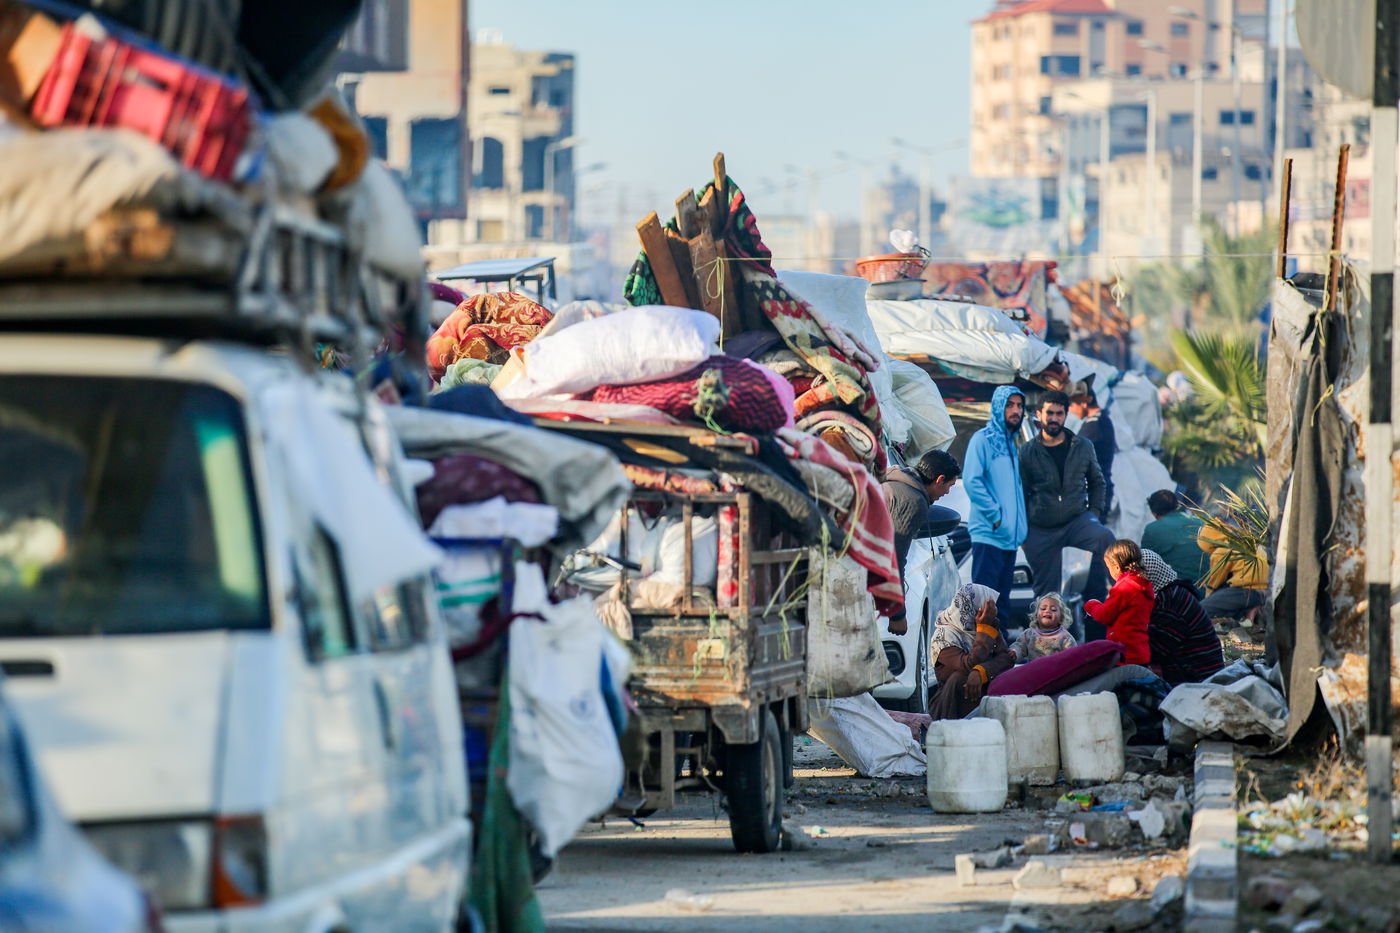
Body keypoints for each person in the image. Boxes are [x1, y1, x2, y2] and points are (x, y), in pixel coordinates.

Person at [1018, 390, 1117, 611]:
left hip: (1077, 520)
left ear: (1065, 415)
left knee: (1106, 537)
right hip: (1042, 527)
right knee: (1047, 598)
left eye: (1059, 413)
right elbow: (1021, 494)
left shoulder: (1082, 445)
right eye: (1049, 413)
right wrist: (1025, 534)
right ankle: (1046, 642)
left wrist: (1094, 514)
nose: (1054, 418)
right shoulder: (1027, 451)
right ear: (1039, 415)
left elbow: (1097, 482)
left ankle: (1123, 595)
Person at [963, 385, 1028, 635]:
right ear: (998, 407)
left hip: (1009, 539)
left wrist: (1019, 529)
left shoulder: (1012, 443)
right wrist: (997, 517)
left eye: (1019, 406)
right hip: (990, 534)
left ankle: (994, 660)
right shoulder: (983, 439)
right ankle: (980, 657)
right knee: (985, 603)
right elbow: (972, 481)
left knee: (1002, 605)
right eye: (1010, 405)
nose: (1015, 411)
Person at [881, 449, 962, 636]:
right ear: (939, 479)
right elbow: (894, 558)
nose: (947, 492)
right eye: (949, 486)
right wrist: (897, 614)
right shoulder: (912, 500)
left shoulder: (893, 481)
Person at [928, 584, 1016, 721]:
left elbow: (1007, 658)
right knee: (959, 678)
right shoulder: (944, 635)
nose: (993, 612)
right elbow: (969, 664)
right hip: (952, 705)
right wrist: (984, 630)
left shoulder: (987, 624)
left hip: (985, 697)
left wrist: (981, 672)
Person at [1140, 549, 1225, 685]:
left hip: (1199, 680)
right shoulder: (1169, 592)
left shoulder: (1171, 600)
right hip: (1192, 673)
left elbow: (1154, 649)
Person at [1084, 539, 1154, 666]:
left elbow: (1104, 615)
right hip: (1139, 651)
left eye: (1109, 567)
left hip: (1125, 653)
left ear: (1116, 567)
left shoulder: (1123, 588)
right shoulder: (1143, 585)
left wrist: (1091, 605)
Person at [1197, 522, 1268, 620]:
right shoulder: (1244, 541)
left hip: (1249, 591)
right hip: (1266, 590)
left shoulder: (1221, 550)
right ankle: (1249, 612)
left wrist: (1208, 596)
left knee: (1201, 609)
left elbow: (1214, 583)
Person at [1141, 490, 1209, 585]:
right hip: (1206, 588)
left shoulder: (1152, 529)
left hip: (1177, 591)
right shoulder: (1201, 523)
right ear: (1176, 505)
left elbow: (1144, 565)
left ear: (1153, 513)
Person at [1068, 381, 1116, 516]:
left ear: (1083, 403)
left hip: (1095, 494)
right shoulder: (1101, 420)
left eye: (1072, 404)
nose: (1070, 410)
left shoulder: (1095, 426)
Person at [1010, 593, 1078, 664]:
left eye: (1053, 610)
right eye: (1043, 608)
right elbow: (1020, 646)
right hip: (1034, 672)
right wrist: (1014, 652)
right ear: (1036, 615)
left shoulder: (1065, 638)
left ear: (1061, 618)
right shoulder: (1029, 634)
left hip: (1055, 673)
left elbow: (1072, 656)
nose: (1047, 611)